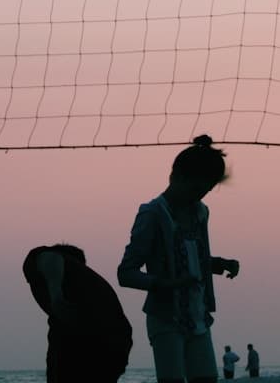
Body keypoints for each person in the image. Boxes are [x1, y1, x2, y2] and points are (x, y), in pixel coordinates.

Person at [117, 135, 241, 383]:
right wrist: (166, 284)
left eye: (205, 192)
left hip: (198, 316)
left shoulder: (200, 213)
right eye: (196, 189)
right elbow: (125, 274)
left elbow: (197, 259)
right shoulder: (152, 214)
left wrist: (218, 264)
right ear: (176, 177)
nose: (199, 197)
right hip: (165, 318)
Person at [22, 243, 133, 382]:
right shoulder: (85, 280)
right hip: (117, 342)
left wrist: (56, 294)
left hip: (90, 338)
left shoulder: (46, 256)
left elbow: (49, 257)